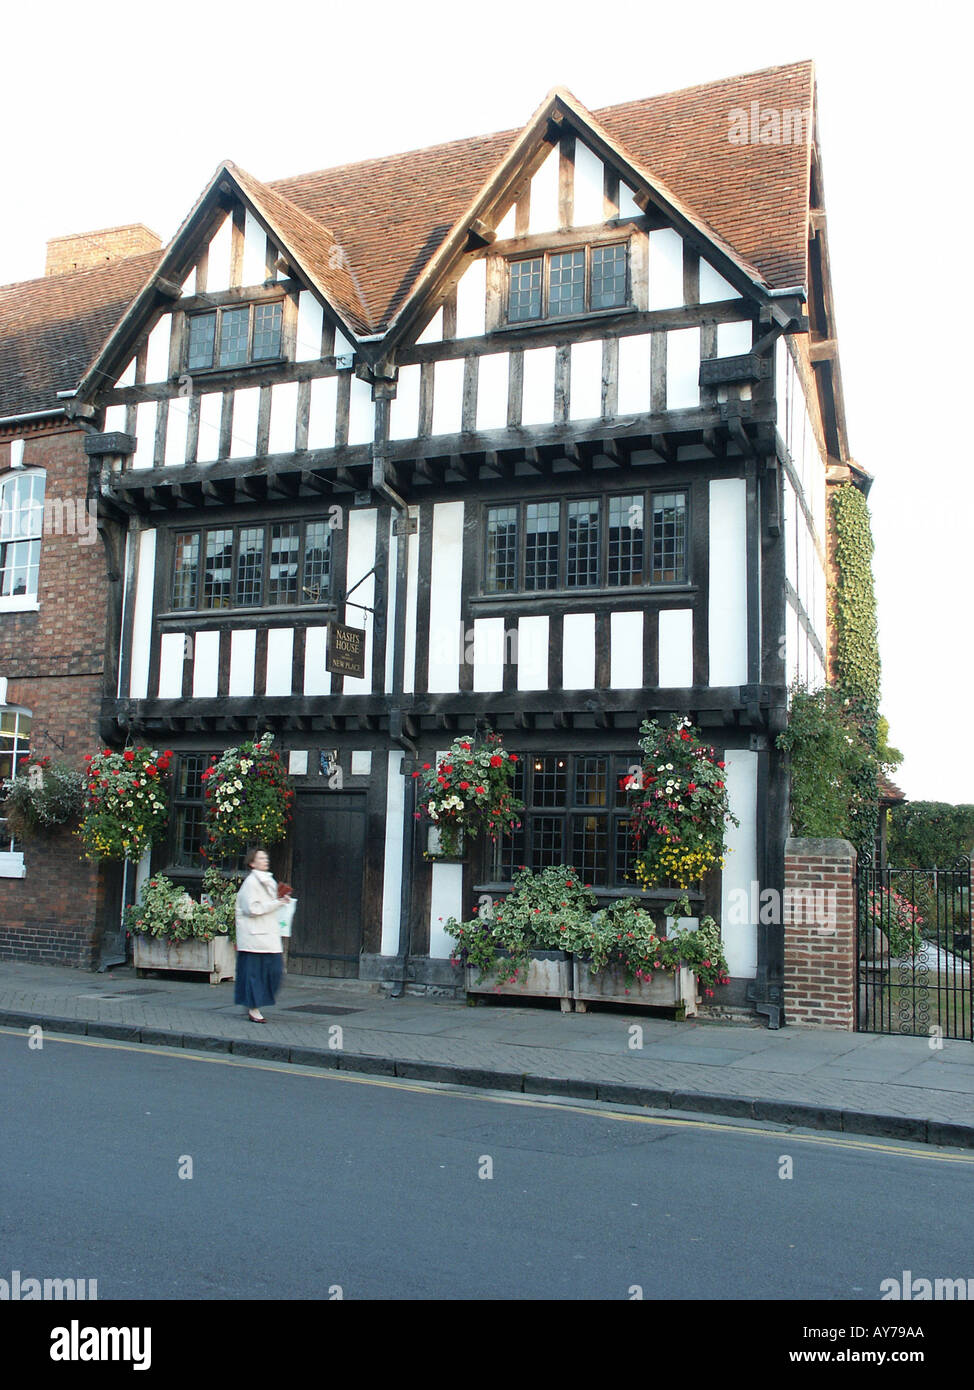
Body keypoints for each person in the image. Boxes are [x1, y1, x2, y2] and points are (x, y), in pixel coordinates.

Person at [234, 848, 289, 1022]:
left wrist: (281, 900)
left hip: (268, 933)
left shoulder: (268, 880)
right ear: (252, 863)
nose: (265, 860)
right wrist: (276, 903)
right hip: (254, 935)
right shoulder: (251, 882)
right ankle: (253, 1008)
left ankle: (254, 1003)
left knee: (275, 971)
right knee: (254, 974)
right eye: (260, 858)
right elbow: (253, 908)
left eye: (266, 857)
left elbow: (270, 903)